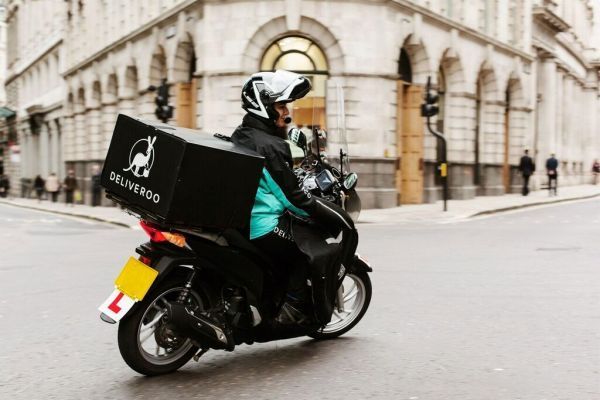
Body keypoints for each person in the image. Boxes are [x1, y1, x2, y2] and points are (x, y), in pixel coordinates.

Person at [231, 70, 356, 325]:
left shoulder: (244, 133)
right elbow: (292, 198)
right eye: (280, 106)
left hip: (242, 217)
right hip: (262, 224)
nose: (286, 113)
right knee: (310, 252)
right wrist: (328, 213)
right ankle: (292, 310)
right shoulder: (271, 146)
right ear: (263, 106)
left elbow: (271, 181)